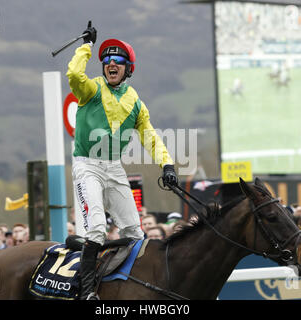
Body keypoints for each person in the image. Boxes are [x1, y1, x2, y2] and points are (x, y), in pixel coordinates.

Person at [67, 22, 177, 300]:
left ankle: (136, 285)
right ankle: (87, 292)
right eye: (107, 60)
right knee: (97, 227)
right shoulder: (90, 90)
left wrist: (167, 164)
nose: (111, 64)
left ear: (129, 68)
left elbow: (150, 136)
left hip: (114, 167)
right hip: (87, 165)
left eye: (118, 60)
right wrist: (87, 47)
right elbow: (73, 73)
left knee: (135, 232)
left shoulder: (135, 101)